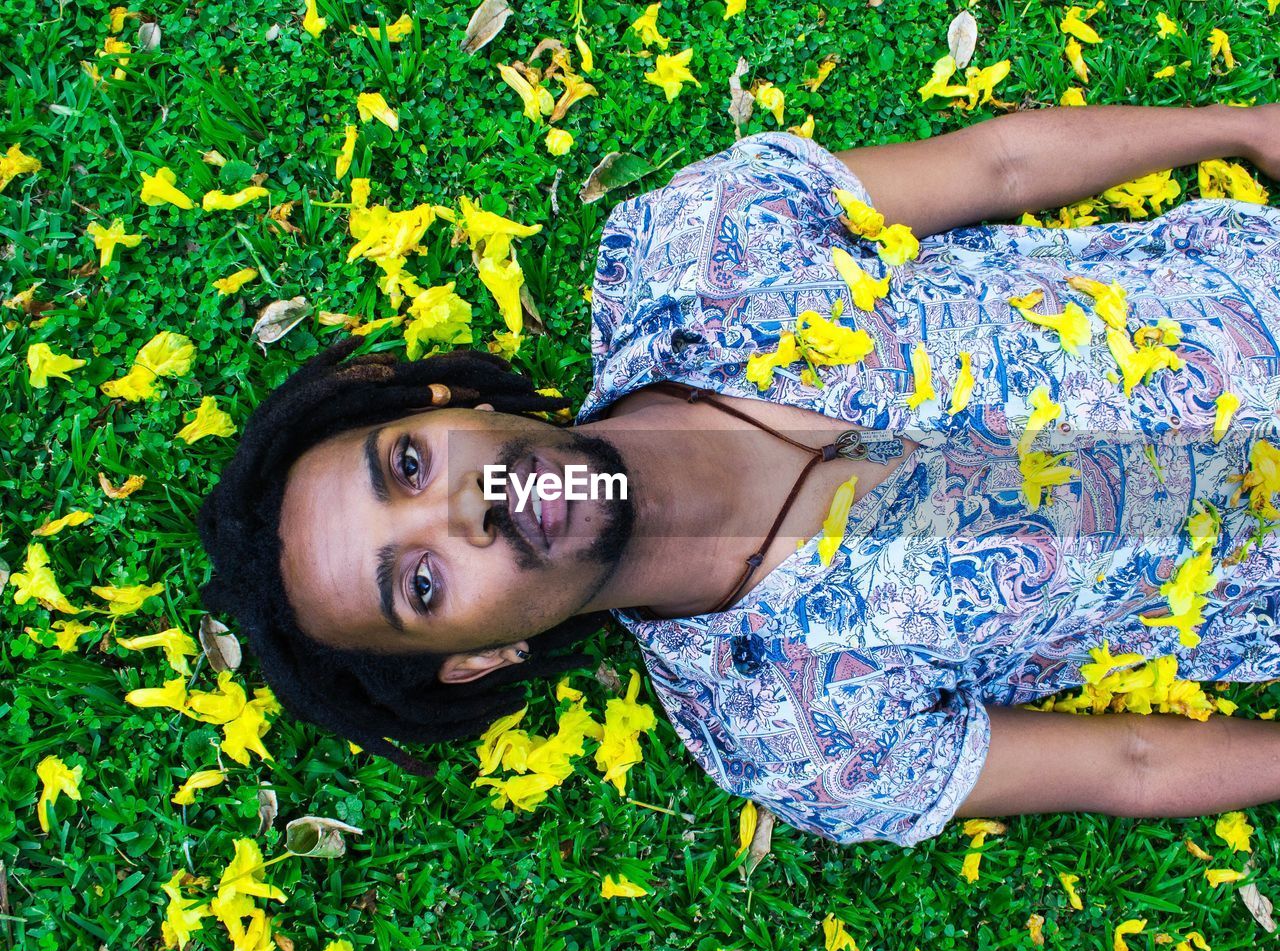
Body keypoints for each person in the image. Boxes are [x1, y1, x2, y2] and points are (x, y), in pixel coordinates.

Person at [198, 103, 1280, 847]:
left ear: (449, 410)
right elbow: (1125, 762)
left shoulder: (697, 254)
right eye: (420, 583)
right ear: (482, 657)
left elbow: (997, 165)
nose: (465, 510)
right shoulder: (796, 737)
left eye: (408, 467)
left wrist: (1237, 129)